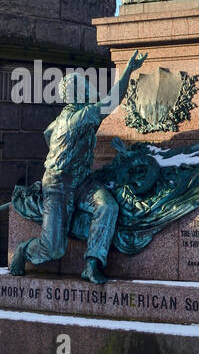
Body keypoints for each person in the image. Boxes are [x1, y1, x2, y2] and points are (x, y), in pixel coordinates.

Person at [8, 50, 146, 285]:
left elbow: (48, 135)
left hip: (81, 181)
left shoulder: (68, 119)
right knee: (54, 248)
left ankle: (92, 263)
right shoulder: (78, 118)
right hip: (59, 185)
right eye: (86, 86)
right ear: (78, 94)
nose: (90, 89)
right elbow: (112, 101)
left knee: (108, 206)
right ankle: (23, 251)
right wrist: (129, 69)